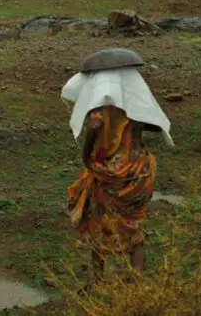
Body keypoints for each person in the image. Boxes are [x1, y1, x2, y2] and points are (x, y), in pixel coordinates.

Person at [61, 55, 173, 285]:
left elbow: (91, 137)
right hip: (138, 174)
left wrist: (87, 159)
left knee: (98, 225)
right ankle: (138, 281)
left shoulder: (99, 112)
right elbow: (152, 124)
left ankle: (97, 280)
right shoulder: (135, 104)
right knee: (134, 227)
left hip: (109, 177)